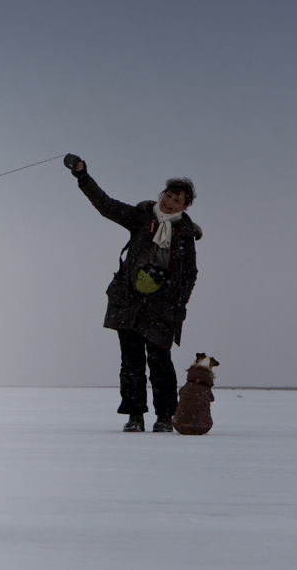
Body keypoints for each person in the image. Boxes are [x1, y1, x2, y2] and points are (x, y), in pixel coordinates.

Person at [66, 155, 201, 432]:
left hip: (162, 309)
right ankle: (135, 416)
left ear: (186, 206)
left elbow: (189, 275)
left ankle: (164, 417)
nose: (171, 202)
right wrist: (83, 176)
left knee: (161, 364)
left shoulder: (185, 234)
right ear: (162, 194)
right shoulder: (141, 218)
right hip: (128, 302)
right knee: (131, 363)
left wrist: (179, 304)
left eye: (178, 199)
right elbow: (106, 206)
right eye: (169, 195)